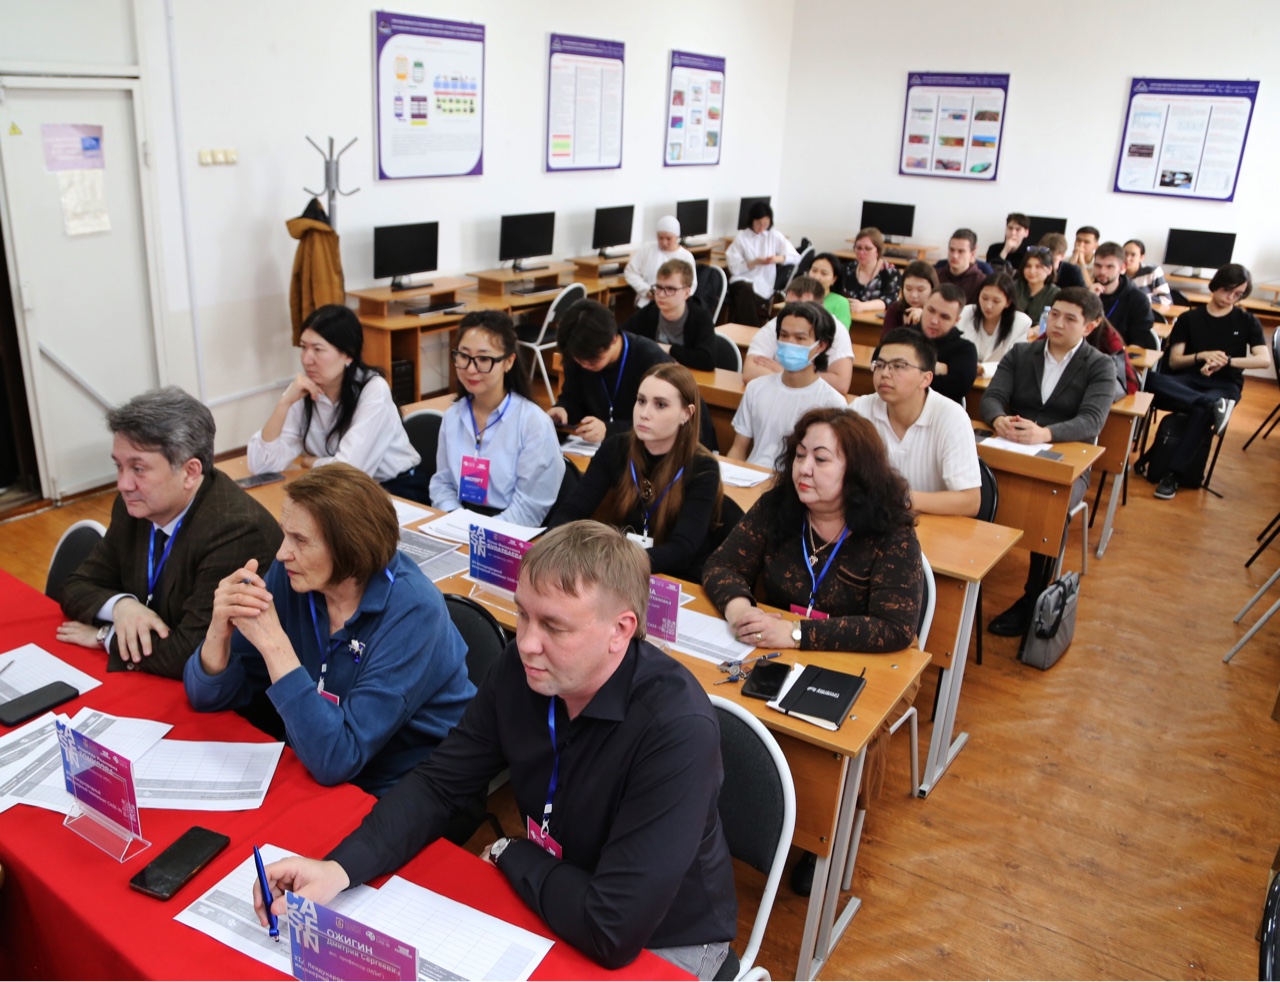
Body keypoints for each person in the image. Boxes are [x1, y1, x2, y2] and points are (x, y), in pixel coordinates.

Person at [254, 521, 738, 979]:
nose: (526, 642)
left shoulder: (676, 730)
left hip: (662, 940)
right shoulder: (522, 672)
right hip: (556, 896)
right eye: (523, 614)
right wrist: (339, 869)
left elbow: (613, 928)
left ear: (621, 630)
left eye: (554, 626)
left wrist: (513, 852)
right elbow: (440, 785)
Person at [704, 408, 924, 892]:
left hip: (868, 661)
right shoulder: (779, 507)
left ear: (856, 471)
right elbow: (721, 565)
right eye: (800, 455)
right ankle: (738, 811)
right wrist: (739, 608)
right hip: (778, 647)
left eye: (821, 459)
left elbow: (894, 628)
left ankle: (827, 833)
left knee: (851, 730)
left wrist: (799, 635)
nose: (804, 469)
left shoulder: (890, 531)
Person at [184, 464, 474, 796]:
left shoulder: (414, 610)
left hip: (408, 781)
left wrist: (275, 645)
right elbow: (205, 696)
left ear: (350, 546)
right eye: (284, 533)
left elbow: (338, 758)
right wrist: (219, 630)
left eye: (300, 540)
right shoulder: (294, 576)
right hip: (317, 753)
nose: (281, 553)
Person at [57, 387, 282, 679]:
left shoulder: (236, 530)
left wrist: (105, 637)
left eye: (138, 469)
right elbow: (76, 586)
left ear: (190, 472)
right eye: (119, 466)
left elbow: (191, 652)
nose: (123, 484)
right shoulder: (134, 507)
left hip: (235, 691)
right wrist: (122, 607)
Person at [980, 288, 1118, 637]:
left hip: (1065, 462)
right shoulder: (1022, 352)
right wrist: (998, 419)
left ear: (1090, 326)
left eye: (1070, 319)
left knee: (1050, 508)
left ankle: (1034, 596)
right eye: (1054, 314)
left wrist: (1046, 433)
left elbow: (1092, 421)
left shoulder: (1100, 365)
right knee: (974, 487)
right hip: (1011, 449)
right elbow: (993, 396)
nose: (1057, 323)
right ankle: (969, 571)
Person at [548, 364, 725, 581]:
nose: (644, 413)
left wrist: (614, 562)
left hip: (671, 577)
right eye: (641, 401)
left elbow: (682, 550)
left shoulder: (703, 468)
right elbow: (569, 513)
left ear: (686, 414)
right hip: (618, 572)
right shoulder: (615, 448)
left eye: (660, 405)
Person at [248, 305, 427, 502]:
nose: (307, 359)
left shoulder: (373, 390)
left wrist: (313, 462)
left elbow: (350, 471)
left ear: (348, 355)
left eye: (318, 349)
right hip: (337, 491)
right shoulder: (304, 390)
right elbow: (261, 466)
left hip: (397, 490)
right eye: (303, 347)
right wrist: (284, 403)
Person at [1143, 264, 1269, 500]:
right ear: (1217, 285)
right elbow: (1175, 361)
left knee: (1201, 411)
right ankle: (1210, 404)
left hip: (1225, 384)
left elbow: (1263, 360)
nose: (1231, 297)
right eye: (1228, 290)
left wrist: (1227, 361)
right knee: (1148, 379)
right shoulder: (1189, 318)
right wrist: (1201, 356)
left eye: (1238, 294)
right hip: (1188, 381)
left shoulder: (1247, 321)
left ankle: (1172, 475)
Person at [430, 311, 564, 526]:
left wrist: (479, 532)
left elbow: (529, 508)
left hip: (510, 529)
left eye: (484, 359)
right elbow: (442, 484)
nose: (471, 369)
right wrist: (454, 520)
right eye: (463, 356)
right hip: (456, 522)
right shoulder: (453, 416)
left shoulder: (533, 423)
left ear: (508, 362)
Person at [551, 299, 718, 450]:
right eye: (579, 360)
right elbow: (574, 397)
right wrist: (564, 409)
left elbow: (664, 423)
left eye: (593, 359)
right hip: (609, 449)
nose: (585, 365)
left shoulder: (652, 361)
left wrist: (610, 430)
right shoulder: (577, 355)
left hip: (665, 449)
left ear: (613, 339)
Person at [851, 329, 982, 516]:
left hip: (931, 525)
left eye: (898, 366)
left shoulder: (952, 418)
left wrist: (901, 498)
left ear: (925, 379)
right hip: (871, 520)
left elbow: (970, 501)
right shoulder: (860, 409)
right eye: (879, 365)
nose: (885, 373)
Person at [728, 302, 848, 468]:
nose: (790, 343)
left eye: (800, 338)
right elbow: (738, 448)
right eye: (784, 335)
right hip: (753, 474)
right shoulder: (756, 388)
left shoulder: (833, 403)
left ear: (820, 346)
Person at [743, 276, 855, 393]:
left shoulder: (837, 331)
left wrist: (784, 373)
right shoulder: (774, 325)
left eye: (804, 308)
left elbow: (840, 383)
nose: (794, 313)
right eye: (789, 305)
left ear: (821, 308)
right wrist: (788, 377)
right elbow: (750, 372)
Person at [622, 258, 716, 370]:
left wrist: (668, 349)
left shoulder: (700, 316)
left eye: (670, 289)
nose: (661, 295)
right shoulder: (650, 311)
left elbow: (707, 360)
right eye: (659, 287)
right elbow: (623, 338)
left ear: (686, 293)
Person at [724, 201, 801, 326]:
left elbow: (796, 257)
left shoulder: (773, 235)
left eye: (765, 224)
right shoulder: (742, 237)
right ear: (752, 221)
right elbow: (734, 268)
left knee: (743, 302)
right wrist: (754, 262)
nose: (762, 227)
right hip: (742, 280)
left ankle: (744, 330)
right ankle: (754, 330)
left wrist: (777, 259)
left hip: (764, 284)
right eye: (758, 223)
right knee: (745, 292)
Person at [957, 272, 1033, 371]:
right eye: (984, 298)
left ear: (1008, 302)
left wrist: (984, 369)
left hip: (999, 377)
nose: (988, 306)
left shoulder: (1020, 323)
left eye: (996, 301)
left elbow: (1016, 362)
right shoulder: (965, 313)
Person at [919, 284, 978, 404]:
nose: (934, 321)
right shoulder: (902, 336)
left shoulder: (965, 349)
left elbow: (958, 387)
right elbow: (880, 364)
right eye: (931, 310)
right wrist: (934, 367)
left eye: (944, 317)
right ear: (924, 306)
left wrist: (907, 370)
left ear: (956, 320)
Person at [623, 215, 697, 309]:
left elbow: (691, 285)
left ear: (677, 237)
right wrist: (646, 290)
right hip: (648, 303)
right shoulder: (648, 249)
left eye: (668, 238)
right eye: (660, 238)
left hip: (674, 306)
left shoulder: (686, 256)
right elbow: (630, 272)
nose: (664, 242)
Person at [1091, 242, 1156, 349]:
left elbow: (1138, 343)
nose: (1102, 271)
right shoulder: (1085, 295)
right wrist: (1090, 300)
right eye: (1098, 266)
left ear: (1122, 268)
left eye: (1109, 267)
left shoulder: (1138, 300)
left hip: (1119, 355)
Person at [842, 228, 901, 314]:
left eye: (868, 248)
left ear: (878, 251)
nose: (861, 252)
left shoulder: (891, 272)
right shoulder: (847, 269)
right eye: (858, 248)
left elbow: (889, 300)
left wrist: (863, 306)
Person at [881, 260, 939, 335]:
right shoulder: (895, 309)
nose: (914, 295)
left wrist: (923, 320)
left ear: (933, 289)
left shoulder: (939, 314)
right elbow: (886, 339)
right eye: (908, 289)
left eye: (920, 290)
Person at [933, 228, 987, 304]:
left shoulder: (981, 282)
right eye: (952, 250)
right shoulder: (935, 275)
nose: (954, 255)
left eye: (961, 251)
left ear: (972, 254)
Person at [1013, 245, 1060, 327]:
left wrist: (1034, 330)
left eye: (1038, 267)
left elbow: (1053, 321)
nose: (1032, 271)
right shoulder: (1014, 287)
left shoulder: (1055, 293)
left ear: (1049, 269)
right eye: (1028, 266)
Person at [806, 252, 853, 327]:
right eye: (814, 270)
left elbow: (842, 331)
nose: (817, 277)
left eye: (824, 273)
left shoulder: (841, 303)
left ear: (834, 279)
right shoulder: (798, 296)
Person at [1122, 239, 1172, 306]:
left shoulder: (1152, 271)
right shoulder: (1116, 272)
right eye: (1125, 254)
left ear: (1141, 257)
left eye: (1133, 255)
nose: (1127, 258)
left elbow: (1166, 300)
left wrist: (1139, 299)